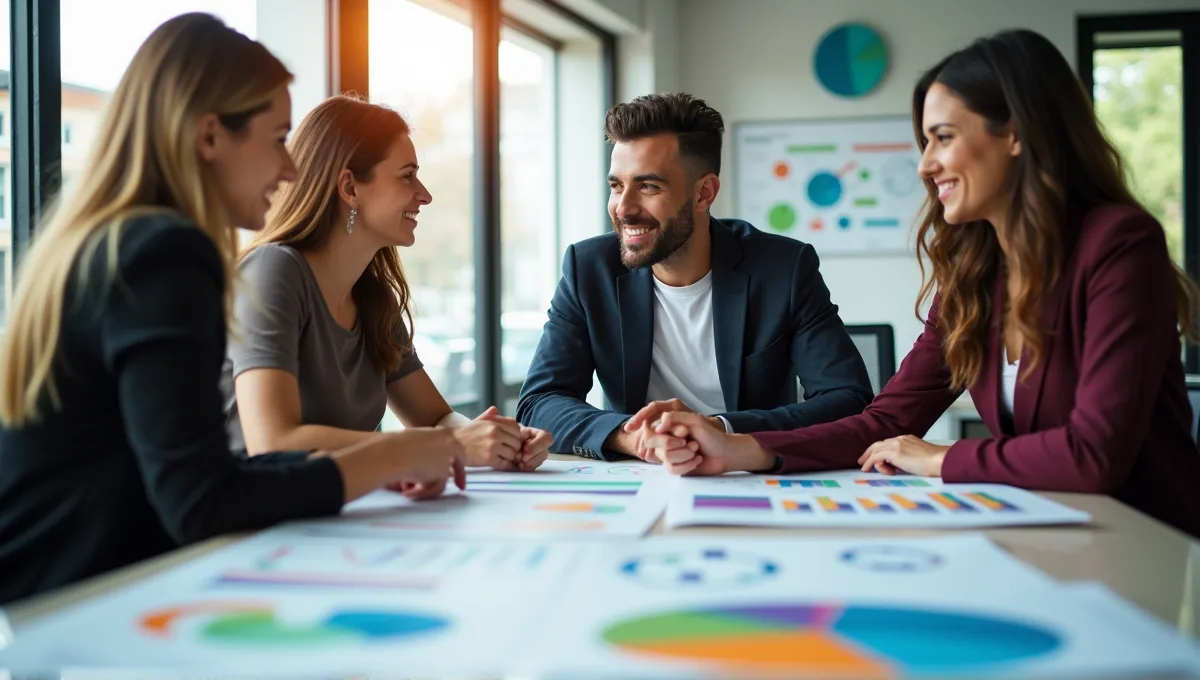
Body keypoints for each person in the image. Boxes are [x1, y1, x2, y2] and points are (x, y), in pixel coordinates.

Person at [644, 29, 1200, 538]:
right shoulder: (975, 273)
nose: (925, 165)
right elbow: (884, 422)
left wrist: (940, 457)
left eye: (942, 138)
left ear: (1014, 134)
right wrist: (738, 448)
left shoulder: (1120, 245)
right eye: (925, 142)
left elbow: (1094, 455)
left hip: (1144, 544)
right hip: (1049, 535)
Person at [0, 14, 465, 604]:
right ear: (211, 136)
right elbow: (204, 502)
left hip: (52, 592)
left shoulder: (113, 240)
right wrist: (389, 454)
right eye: (276, 139)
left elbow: (204, 478)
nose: (292, 169)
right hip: (68, 607)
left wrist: (391, 455)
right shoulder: (166, 254)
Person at [516, 92, 873, 462]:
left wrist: (719, 430)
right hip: (637, 479)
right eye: (616, 185)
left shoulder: (783, 268)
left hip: (748, 475)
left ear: (704, 193)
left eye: (649, 186)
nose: (623, 208)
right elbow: (540, 402)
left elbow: (847, 400)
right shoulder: (588, 269)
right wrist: (633, 436)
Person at [225, 94, 552, 481]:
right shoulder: (273, 271)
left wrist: (495, 438)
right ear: (350, 187)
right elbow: (273, 441)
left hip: (330, 516)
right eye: (407, 175)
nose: (425, 195)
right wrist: (445, 447)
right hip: (249, 527)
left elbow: (434, 418)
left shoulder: (373, 297)